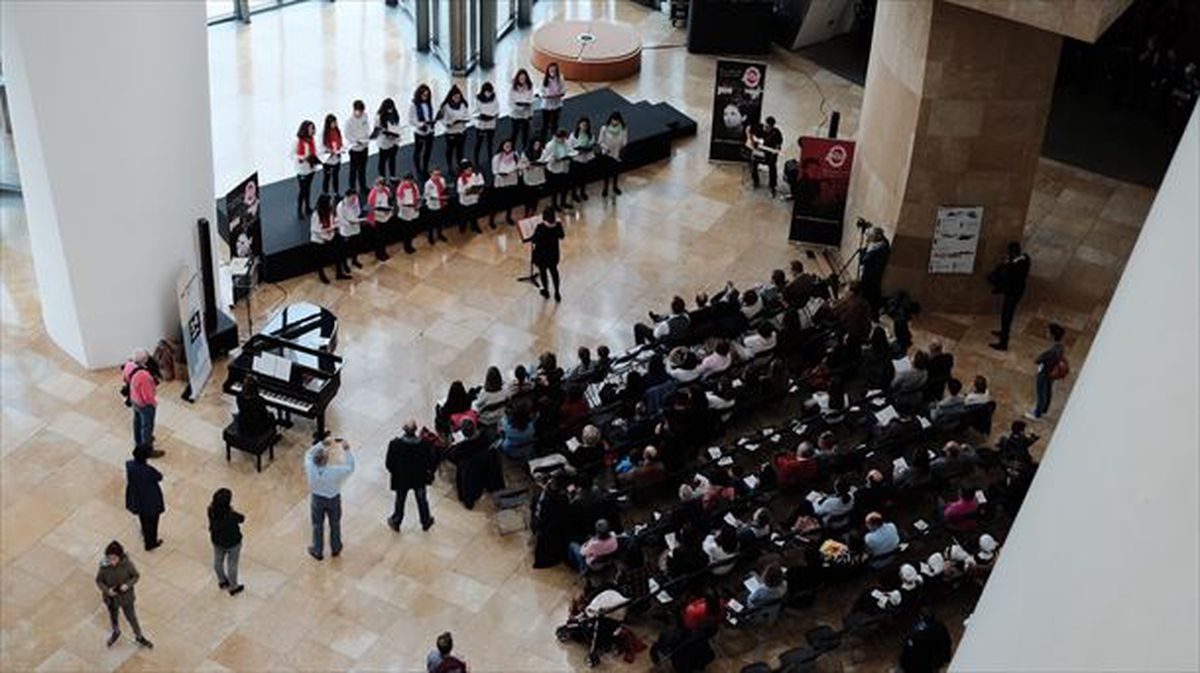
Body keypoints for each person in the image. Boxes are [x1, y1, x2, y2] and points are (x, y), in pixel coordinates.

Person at [304, 437, 355, 560]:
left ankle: (317, 550)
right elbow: (350, 467)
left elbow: (308, 453)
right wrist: (347, 450)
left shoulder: (310, 466)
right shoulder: (335, 471)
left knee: (317, 525)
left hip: (317, 499)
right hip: (333, 499)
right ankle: (336, 548)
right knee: (335, 524)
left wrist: (321, 444)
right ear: (326, 461)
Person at [95, 541, 153, 649]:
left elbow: (135, 576)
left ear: (120, 557)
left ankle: (139, 636)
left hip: (126, 598)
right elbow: (99, 581)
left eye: (114, 558)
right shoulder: (104, 567)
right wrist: (107, 591)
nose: (111, 561)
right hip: (111, 599)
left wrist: (127, 585)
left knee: (132, 618)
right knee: (114, 617)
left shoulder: (127, 565)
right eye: (109, 558)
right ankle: (116, 631)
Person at [386, 420, 436, 532]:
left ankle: (396, 521)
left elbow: (389, 463)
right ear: (416, 429)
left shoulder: (395, 444)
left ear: (404, 429)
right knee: (422, 499)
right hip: (419, 477)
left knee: (400, 500)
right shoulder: (424, 444)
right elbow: (430, 461)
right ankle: (426, 521)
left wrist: (395, 473)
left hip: (402, 478)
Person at [988, 242, 1032, 351]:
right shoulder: (1025, 259)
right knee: (1006, 314)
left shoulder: (1015, 266)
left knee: (1007, 316)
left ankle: (1003, 342)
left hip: (1013, 292)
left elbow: (1008, 274)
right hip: (1017, 290)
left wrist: (1007, 264)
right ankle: (1003, 332)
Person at [125, 444, 164, 551]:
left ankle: (146, 536)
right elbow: (159, 476)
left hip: (138, 499)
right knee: (153, 522)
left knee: (144, 519)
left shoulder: (130, 465)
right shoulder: (148, 471)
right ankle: (151, 542)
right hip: (150, 500)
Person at [207, 488, 245, 595]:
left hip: (217, 540)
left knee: (218, 562)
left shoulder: (210, 510)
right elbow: (242, 518)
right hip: (233, 542)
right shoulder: (230, 515)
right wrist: (232, 511)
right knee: (232, 564)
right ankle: (233, 587)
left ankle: (222, 581)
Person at [122, 348, 160, 451]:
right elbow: (147, 396)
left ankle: (138, 441)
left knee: (137, 421)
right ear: (144, 360)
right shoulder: (144, 376)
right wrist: (153, 403)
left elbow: (126, 379)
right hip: (144, 404)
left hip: (134, 399)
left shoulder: (129, 365)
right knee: (147, 426)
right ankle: (147, 448)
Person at [1027, 322, 1067, 421]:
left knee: (1041, 393)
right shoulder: (1060, 347)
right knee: (1048, 391)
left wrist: (1039, 359)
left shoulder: (1053, 351)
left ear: (1052, 335)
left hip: (1045, 372)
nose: (1046, 333)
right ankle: (1044, 410)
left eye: (1048, 331)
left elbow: (1039, 360)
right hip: (1051, 373)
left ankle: (1037, 414)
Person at [527, 207, 564, 301]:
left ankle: (546, 291)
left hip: (542, 256)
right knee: (554, 272)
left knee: (543, 273)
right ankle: (557, 292)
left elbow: (535, 240)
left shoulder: (540, 228)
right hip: (553, 254)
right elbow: (562, 236)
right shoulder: (558, 225)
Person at [898, 609, 952, 673]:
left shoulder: (920, 635)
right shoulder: (940, 625)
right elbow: (948, 640)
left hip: (928, 662)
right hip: (940, 656)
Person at [310, 194, 347, 283]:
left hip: (330, 236)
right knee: (320, 260)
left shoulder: (330, 211)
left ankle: (339, 273)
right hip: (319, 240)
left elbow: (333, 221)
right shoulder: (316, 214)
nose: (332, 202)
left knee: (338, 254)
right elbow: (315, 230)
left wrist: (335, 226)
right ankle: (322, 275)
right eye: (330, 201)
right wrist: (326, 234)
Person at [437, 85, 470, 174]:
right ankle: (450, 167)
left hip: (461, 131)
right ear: (451, 97)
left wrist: (465, 120)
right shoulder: (446, 106)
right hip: (451, 132)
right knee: (450, 151)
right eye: (455, 97)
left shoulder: (463, 105)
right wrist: (447, 123)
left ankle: (460, 167)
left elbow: (467, 115)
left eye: (459, 97)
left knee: (460, 151)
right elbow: (441, 118)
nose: (457, 99)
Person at [748, 115, 783, 196]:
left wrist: (776, 150)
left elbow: (778, 144)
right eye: (765, 126)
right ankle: (755, 181)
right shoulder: (758, 127)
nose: (766, 129)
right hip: (758, 151)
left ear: (772, 127)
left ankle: (772, 185)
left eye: (768, 128)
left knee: (772, 166)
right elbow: (749, 130)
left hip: (769, 153)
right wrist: (752, 141)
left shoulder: (776, 133)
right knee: (753, 163)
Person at [490, 138, 520, 227]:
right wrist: (501, 174)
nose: (508, 147)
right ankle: (492, 220)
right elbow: (494, 171)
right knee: (497, 203)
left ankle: (508, 217)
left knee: (510, 202)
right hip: (501, 183)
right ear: (502, 146)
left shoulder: (515, 155)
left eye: (510, 146)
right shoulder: (497, 157)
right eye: (506, 146)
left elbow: (518, 165)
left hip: (511, 181)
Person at [859, 227, 891, 311]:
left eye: (872, 236)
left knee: (870, 295)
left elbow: (864, 260)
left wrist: (864, 248)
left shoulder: (880, 248)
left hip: (871, 275)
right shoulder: (881, 244)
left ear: (878, 236)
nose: (870, 238)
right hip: (871, 274)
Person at [540, 128, 573, 210]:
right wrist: (554, 159)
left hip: (564, 167)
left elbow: (570, 150)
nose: (562, 139)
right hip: (554, 169)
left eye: (563, 138)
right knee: (555, 189)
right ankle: (554, 204)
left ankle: (563, 202)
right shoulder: (550, 145)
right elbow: (545, 158)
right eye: (561, 138)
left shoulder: (566, 142)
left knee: (565, 187)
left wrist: (570, 155)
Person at [598, 110, 627, 198]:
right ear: (610, 120)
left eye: (617, 120)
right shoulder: (604, 128)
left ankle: (615, 186)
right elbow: (600, 141)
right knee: (606, 172)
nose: (615, 122)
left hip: (616, 153)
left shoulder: (623, 128)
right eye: (613, 120)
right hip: (607, 154)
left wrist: (621, 145)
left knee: (615, 172)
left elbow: (625, 140)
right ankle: (605, 188)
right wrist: (606, 148)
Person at [344, 99, 371, 194]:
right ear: (355, 110)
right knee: (353, 170)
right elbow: (347, 135)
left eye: (362, 111)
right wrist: (356, 141)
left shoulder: (365, 117)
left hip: (364, 147)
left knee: (362, 169)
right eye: (359, 111)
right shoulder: (349, 122)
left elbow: (367, 128)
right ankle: (352, 188)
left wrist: (367, 137)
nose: (361, 113)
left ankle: (363, 186)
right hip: (355, 149)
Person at [409, 84, 436, 176]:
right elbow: (411, 120)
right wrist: (420, 124)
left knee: (427, 151)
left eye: (427, 95)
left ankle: (425, 168)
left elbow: (429, 115)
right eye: (424, 95)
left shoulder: (428, 103)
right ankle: (418, 170)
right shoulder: (414, 105)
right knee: (418, 152)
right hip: (420, 131)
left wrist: (431, 121)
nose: (425, 97)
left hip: (429, 131)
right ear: (419, 94)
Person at [294, 119, 319, 218]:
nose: (312, 130)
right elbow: (292, 155)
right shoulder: (297, 141)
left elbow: (314, 152)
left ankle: (308, 207)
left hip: (311, 169)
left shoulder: (312, 140)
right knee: (302, 190)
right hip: (302, 170)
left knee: (308, 189)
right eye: (310, 128)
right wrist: (302, 157)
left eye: (313, 128)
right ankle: (299, 210)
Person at [336, 188, 366, 268]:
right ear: (347, 197)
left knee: (355, 247)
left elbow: (358, 212)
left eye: (355, 198)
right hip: (346, 231)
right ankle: (345, 265)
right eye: (352, 198)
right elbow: (342, 220)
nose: (354, 200)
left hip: (355, 229)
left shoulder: (355, 201)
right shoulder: (340, 206)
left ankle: (354, 260)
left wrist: (357, 219)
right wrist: (352, 222)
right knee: (345, 250)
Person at [365, 177, 394, 261]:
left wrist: (389, 210)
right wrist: (380, 212)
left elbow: (390, 202)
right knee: (379, 238)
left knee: (384, 237)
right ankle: (379, 253)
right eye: (378, 186)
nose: (380, 188)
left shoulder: (387, 191)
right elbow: (370, 209)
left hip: (386, 217)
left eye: (382, 186)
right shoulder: (372, 195)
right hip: (377, 219)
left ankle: (383, 251)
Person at [567, 116, 595, 203]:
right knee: (575, 179)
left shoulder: (590, 135)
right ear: (579, 125)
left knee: (584, 178)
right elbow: (569, 148)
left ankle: (583, 192)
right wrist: (577, 151)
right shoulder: (573, 135)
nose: (583, 127)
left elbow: (592, 144)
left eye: (585, 125)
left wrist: (588, 149)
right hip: (576, 160)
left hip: (585, 159)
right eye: (582, 125)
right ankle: (574, 194)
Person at [455, 160, 485, 234]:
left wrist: (479, 189)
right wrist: (466, 191)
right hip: (465, 201)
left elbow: (481, 183)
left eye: (470, 169)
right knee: (464, 216)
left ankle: (474, 227)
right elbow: (459, 190)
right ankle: (462, 227)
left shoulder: (477, 175)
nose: (469, 171)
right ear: (464, 170)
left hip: (474, 199)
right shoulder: (460, 179)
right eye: (467, 170)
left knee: (474, 216)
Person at [472, 82, 498, 167]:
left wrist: (494, 114)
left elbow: (497, 108)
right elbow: (475, 111)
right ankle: (476, 160)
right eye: (487, 92)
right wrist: (481, 115)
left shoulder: (494, 98)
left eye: (490, 92)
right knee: (479, 143)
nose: (488, 94)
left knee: (490, 143)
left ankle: (490, 159)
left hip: (491, 124)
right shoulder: (478, 99)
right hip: (481, 125)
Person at [393, 173, 421, 253]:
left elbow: (418, 196)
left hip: (413, 211)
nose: (410, 182)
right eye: (408, 181)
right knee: (406, 232)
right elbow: (399, 203)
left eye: (411, 180)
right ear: (404, 180)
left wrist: (418, 204)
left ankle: (410, 244)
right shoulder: (400, 189)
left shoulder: (414, 186)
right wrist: (408, 206)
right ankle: (407, 247)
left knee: (411, 230)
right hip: (405, 213)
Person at [375, 98, 401, 181]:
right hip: (384, 142)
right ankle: (382, 176)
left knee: (392, 159)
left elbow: (397, 125)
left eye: (392, 108)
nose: (390, 110)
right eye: (389, 108)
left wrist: (396, 133)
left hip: (394, 141)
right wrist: (386, 132)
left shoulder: (394, 114)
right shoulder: (379, 116)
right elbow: (377, 129)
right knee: (382, 159)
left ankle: (392, 176)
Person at [520, 137, 547, 217]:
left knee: (536, 196)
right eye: (535, 144)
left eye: (539, 144)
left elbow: (545, 160)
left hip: (538, 176)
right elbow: (521, 164)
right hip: (529, 176)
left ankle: (533, 209)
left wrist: (543, 164)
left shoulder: (543, 151)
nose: (537, 146)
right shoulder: (525, 153)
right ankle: (527, 210)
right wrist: (527, 165)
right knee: (528, 196)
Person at [509, 68, 535, 149]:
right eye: (521, 78)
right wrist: (519, 106)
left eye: (524, 78)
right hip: (515, 115)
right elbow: (511, 102)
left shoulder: (529, 87)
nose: (522, 80)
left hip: (525, 115)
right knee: (514, 134)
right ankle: (512, 151)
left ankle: (524, 152)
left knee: (525, 135)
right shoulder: (513, 88)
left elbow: (531, 100)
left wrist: (530, 113)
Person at [423, 167, 450, 243]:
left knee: (440, 222)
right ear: (430, 174)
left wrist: (445, 199)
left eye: (438, 174)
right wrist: (439, 197)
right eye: (435, 174)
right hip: (432, 207)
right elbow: (427, 196)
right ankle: (430, 237)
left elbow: (444, 190)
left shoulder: (442, 180)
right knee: (431, 224)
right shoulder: (428, 184)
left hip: (441, 205)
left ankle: (440, 234)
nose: (437, 176)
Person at [539, 62, 565, 139]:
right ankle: (542, 141)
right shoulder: (544, 78)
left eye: (554, 70)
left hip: (557, 104)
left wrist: (561, 94)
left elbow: (563, 89)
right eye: (551, 70)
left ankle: (554, 140)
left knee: (555, 124)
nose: (552, 72)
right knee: (545, 125)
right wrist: (545, 96)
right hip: (546, 105)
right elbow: (541, 91)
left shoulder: (560, 78)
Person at [320, 113, 344, 195]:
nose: (335, 124)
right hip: (328, 161)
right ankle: (325, 194)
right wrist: (329, 151)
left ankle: (336, 193)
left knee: (335, 177)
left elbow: (340, 142)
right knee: (327, 178)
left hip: (336, 159)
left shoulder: (337, 131)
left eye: (335, 122)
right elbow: (321, 148)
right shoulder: (323, 134)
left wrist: (341, 149)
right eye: (333, 123)